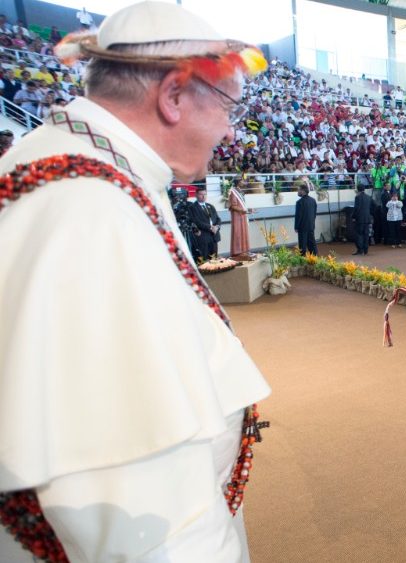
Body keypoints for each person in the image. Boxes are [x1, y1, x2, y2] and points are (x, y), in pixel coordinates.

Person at [0, 2, 271, 561]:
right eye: (228, 107)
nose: (229, 130)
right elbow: (144, 515)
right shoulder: (91, 209)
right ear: (173, 95)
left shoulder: (95, 168)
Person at [190, 185, 222, 261]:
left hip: (214, 235)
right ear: (196, 195)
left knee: (214, 258)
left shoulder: (210, 206)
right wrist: (210, 227)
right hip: (204, 236)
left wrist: (217, 227)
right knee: (204, 259)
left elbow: (218, 218)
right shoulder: (192, 207)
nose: (203, 196)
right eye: (201, 194)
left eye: (205, 194)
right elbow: (196, 221)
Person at [228, 179, 252, 256]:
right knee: (238, 232)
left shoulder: (239, 191)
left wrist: (247, 210)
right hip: (237, 216)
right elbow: (233, 206)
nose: (244, 182)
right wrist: (243, 210)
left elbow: (242, 205)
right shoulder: (233, 192)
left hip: (242, 215)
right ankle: (237, 252)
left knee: (244, 232)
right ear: (238, 182)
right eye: (242, 181)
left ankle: (244, 250)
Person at [294, 182, 318, 255]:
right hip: (311, 225)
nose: (297, 192)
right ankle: (314, 258)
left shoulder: (299, 202)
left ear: (303, 191)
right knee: (312, 243)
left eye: (298, 190)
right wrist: (312, 223)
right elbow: (314, 213)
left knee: (302, 244)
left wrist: (296, 227)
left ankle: (302, 260)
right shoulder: (313, 200)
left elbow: (298, 216)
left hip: (302, 226)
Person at [352, 184, 374, 255]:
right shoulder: (368, 197)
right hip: (367, 218)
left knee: (359, 235)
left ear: (358, 189)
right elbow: (375, 206)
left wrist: (353, 217)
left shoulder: (357, 197)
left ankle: (360, 250)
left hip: (360, 219)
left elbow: (356, 208)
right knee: (366, 235)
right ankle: (366, 250)